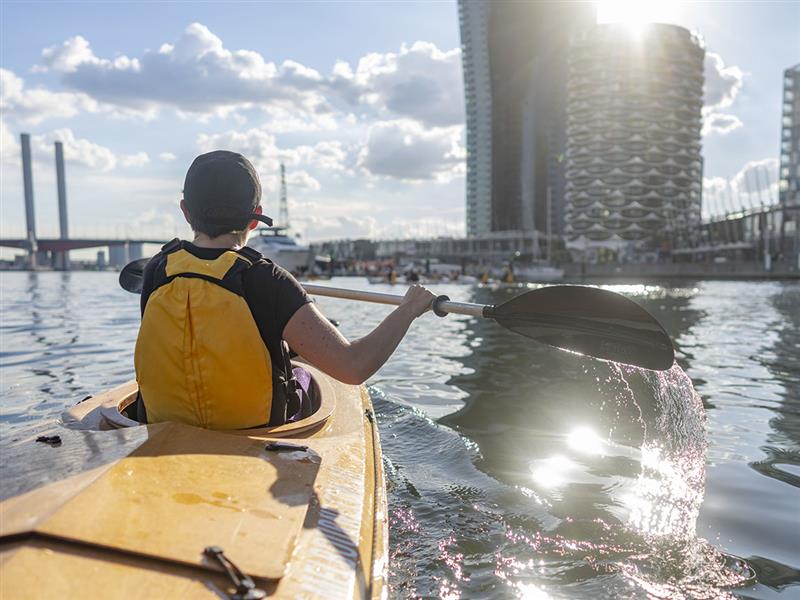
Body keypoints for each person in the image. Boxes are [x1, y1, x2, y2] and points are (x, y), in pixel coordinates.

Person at [135, 150, 436, 429]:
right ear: (256, 217)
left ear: (186, 211)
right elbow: (353, 367)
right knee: (304, 373)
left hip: (165, 431)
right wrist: (408, 309)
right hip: (254, 438)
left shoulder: (158, 269)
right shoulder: (268, 279)